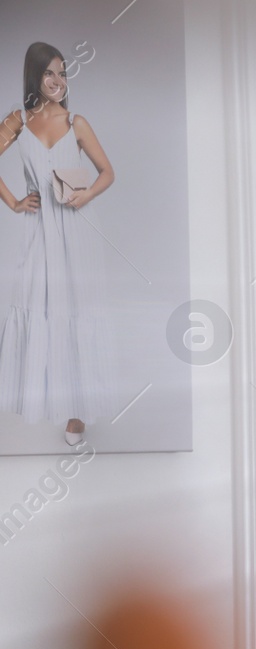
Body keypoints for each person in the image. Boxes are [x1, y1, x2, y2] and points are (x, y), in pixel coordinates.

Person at [0, 41, 116, 445]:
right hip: (39, 230)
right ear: (35, 76)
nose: (58, 81)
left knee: (76, 312)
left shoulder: (76, 122)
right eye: (50, 73)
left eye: (63, 73)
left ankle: (75, 414)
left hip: (76, 228)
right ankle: (48, 396)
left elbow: (106, 172)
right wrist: (14, 201)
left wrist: (86, 195)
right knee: (43, 308)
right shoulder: (17, 120)